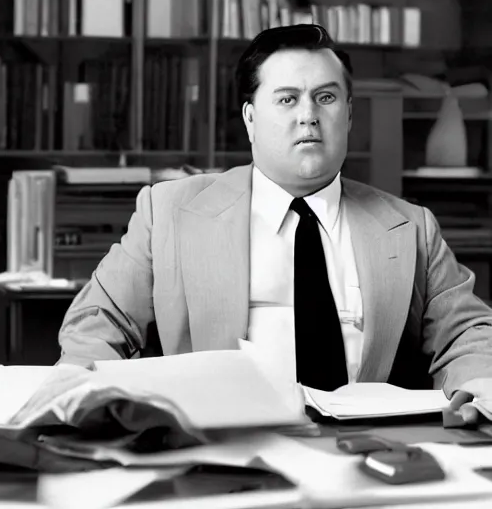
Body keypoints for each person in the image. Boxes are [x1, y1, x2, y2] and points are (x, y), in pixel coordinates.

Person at [56, 24, 492, 424]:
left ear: (349, 114)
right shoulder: (169, 211)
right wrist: (84, 399)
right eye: (287, 99)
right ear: (250, 118)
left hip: (370, 451)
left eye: (326, 97)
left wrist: (476, 385)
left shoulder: (411, 226)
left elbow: (468, 333)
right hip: (220, 449)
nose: (309, 115)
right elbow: (98, 321)